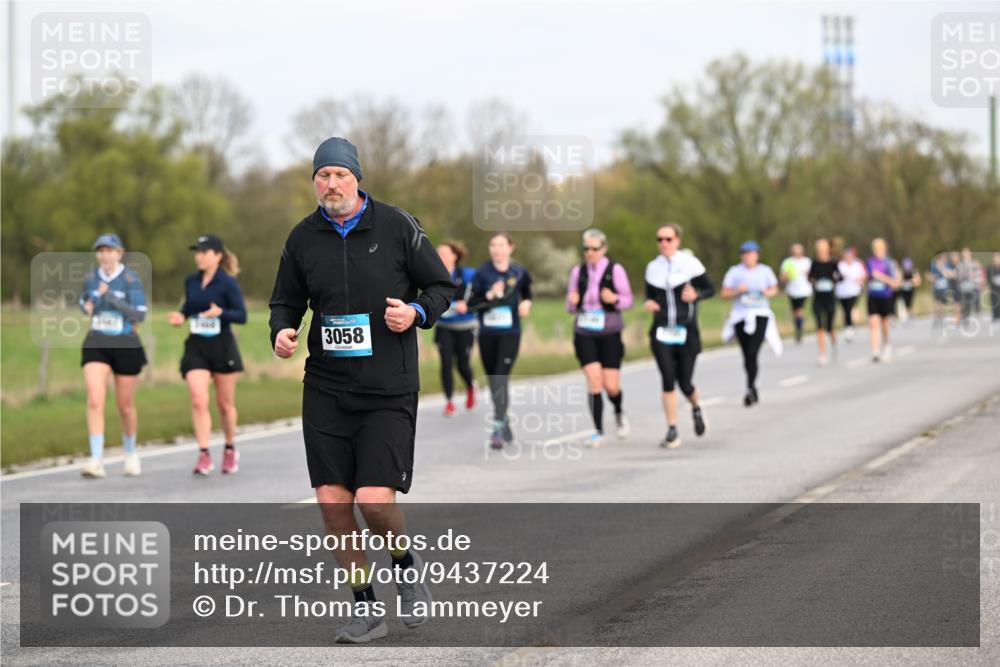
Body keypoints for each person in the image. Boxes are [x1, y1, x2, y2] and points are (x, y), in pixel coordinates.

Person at [269, 137, 455, 643]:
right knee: (333, 503)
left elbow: (442, 288)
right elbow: (285, 301)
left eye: (339, 175)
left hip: (386, 389)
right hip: (326, 388)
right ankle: (365, 605)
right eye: (322, 175)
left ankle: (403, 562)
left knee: (373, 502)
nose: (331, 184)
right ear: (314, 182)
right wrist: (282, 331)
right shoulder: (303, 237)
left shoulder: (397, 226)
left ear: (357, 178)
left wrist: (416, 313)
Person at [168, 235, 247, 475]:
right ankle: (204, 453)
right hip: (197, 347)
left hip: (222, 346)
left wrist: (220, 313)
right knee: (198, 399)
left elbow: (241, 316)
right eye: (197, 252)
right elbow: (189, 308)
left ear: (217, 255)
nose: (198, 256)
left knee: (224, 405)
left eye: (204, 251)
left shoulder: (228, 283)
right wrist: (181, 317)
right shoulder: (191, 281)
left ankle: (230, 448)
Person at [78, 233, 149, 478]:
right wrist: (88, 303)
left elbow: (140, 314)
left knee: (125, 406)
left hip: (126, 343)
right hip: (96, 341)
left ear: (119, 253)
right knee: (95, 399)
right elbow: (83, 302)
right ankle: (96, 460)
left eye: (110, 250)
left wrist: (111, 299)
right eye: (101, 251)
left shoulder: (131, 279)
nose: (105, 255)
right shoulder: (90, 277)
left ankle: (130, 452)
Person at [643, 223, 714, 449]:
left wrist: (697, 294)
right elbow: (649, 295)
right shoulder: (652, 268)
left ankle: (695, 406)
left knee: (685, 383)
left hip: (686, 331)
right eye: (659, 239)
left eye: (668, 239)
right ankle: (672, 429)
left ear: (678, 240)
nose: (663, 243)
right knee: (667, 378)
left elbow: (710, 289)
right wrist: (650, 303)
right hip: (662, 330)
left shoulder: (690, 264)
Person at [566, 228, 633, 448]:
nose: (590, 253)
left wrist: (613, 298)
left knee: (611, 385)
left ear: (604, 249)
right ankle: (597, 431)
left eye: (594, 249)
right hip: (584, 332)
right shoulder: (578, 271)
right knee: (594, 381)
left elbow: (628, 301)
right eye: (586, 249)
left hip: (610, 332)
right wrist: (573, 301)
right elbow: (569, 306)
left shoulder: (615, 270)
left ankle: (619, 411)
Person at [467, 233, 533, 449]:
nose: (497, 249)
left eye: (501, 245)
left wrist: (527, 304)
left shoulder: (519, 272)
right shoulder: (482, 273)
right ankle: (503, 419)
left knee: (499, 377)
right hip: (487, 334)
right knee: (493, 379)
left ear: (510, 248)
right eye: (493, 245)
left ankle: (497, 425)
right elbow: (470, 303)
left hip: (510, 333)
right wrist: (489, 295)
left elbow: (528, 293)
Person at [721, 241, 783, 406]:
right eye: (745, 253)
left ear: (757, 255)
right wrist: (737, 291)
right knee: (746, 352)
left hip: (760, 314)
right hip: (740, 315)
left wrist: (768, 292)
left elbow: (775, 288)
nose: (748, 257)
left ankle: (750, 387)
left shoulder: (765, 271)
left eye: (751, 253)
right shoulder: (734, 272)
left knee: (753, 350)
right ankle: (751, 385)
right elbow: (724, 293)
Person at [435, 240, 477, 417]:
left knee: (462, 365)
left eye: (444, 253)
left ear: (455, 256)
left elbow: (477, 295)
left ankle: (470, 386)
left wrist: (466, 304)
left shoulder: (467, 274)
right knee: (445, 363)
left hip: (465, 326)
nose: (440, 257)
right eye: (438, 253)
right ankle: (449, 402)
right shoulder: (433, 275)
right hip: (444, 326)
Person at [865, 238, 901, 363]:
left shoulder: (889, 263)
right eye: (875, 249)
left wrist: (883, 278)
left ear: (884, 249)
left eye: (879, 249)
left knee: (885, 324)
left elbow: (895, 282)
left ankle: (887, 345)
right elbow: (869, 275)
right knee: (873, 323)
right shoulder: (870, 262)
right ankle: (875, 351)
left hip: (885, 296)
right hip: (873, 296)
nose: (877, 252)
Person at [808, 238, 840, 366]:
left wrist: (833, 280)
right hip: (818, 298)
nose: (821, 252)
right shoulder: (814, 263)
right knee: (819, 326)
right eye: (819, 250)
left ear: (828, 250)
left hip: (830, 298)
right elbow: (809, 277)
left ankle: (833, 342)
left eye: (823, 250)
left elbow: (840, 276)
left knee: (829, 327)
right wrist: (814, 281)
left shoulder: (833, 263)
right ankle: (822, 354)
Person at [779, 243, 812, 344]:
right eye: (795, 251)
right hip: (792, 290)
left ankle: (799, 330)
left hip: (804, 290)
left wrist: (809, 275)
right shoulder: (788, 262)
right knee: (795, 312)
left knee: (799, 310)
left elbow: (813, 275)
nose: (797, 253)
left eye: (798, 251)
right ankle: (798, 326)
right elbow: (782, 277)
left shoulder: (807, 261)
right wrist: (786, 276)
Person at [835, 246, 866, 342]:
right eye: (846, 256)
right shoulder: (840, 265)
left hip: (854, 291)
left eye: (850, 256)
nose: (848, 258)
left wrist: (860, 279)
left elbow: (863, 275)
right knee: (845, 310)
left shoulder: (857, 265)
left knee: (850, 308)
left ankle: (850, 327)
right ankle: (848, 327)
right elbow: (835, 276)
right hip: (842, 292)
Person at [928, 253, 954, 328]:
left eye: (945, 258)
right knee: (936, 304)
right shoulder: (933, 265)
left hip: (944, 287)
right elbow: (928, 275)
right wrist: (932, 278)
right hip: (936, 287)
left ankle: (942, 319)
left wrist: (943, 269)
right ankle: (936, 318)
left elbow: (949, 274)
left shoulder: (947, 265)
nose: (944, 259)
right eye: (943, 258)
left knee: (943, 304)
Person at [895, 257, 921, 322]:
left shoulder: (914, 271)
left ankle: (910, 314)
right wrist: (903, 283)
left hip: (911, 290)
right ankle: (904, 315)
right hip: (903, 290)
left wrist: (910, 282)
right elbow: (898, 281)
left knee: (910, 302)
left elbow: (918, 281)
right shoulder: (901, 272)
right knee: (903, 302)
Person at [988, 253, 1000, 322]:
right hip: (994, 288)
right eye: (995, 258)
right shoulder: (991, 268)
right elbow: (990, 278)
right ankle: (995, 317)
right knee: (995, 302)